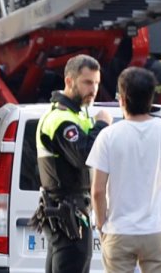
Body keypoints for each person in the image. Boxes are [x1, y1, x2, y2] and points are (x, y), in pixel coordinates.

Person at [87, 67, 161, 273]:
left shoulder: (108, 135)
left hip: (118, 231)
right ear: (151, 98)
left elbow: (97, 191)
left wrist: (101, 225)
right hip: (157, 230)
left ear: (121, 99)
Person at [32, 54, 113, 273]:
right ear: (69, 81)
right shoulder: (61, 119)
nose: (94, 89)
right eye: (87, 82)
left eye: (96, 83)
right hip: (68, 211)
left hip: (67, 210)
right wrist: (102, 125)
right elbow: (84, 155)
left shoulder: (76, 115)